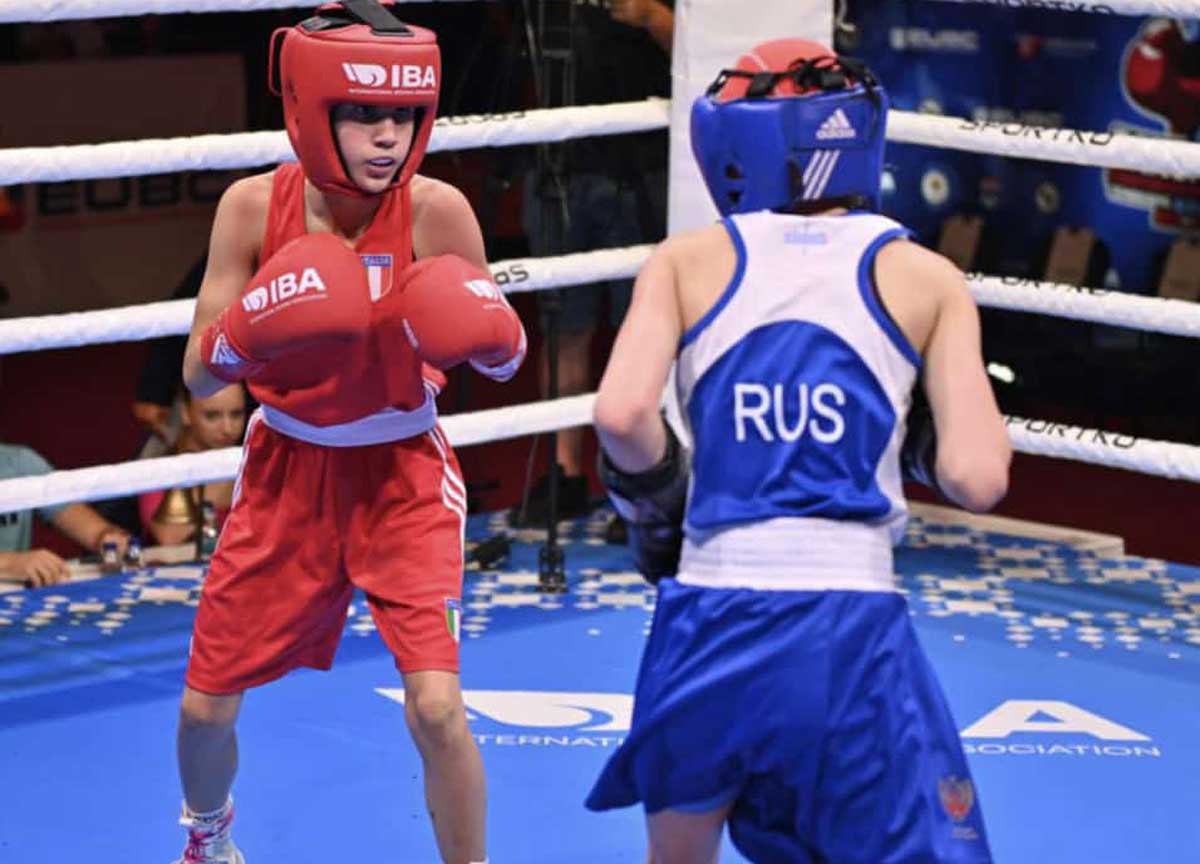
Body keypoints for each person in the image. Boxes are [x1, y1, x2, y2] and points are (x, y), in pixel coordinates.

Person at [585, 40, 1010, 864]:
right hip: (848, 624)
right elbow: (977, 476)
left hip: (710, 606)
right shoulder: (926, 277)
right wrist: (917, 427)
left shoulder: (686, 260)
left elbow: (622, 413)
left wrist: (660, 508)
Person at [173, 3, 525, 863]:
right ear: (309, 108)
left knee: (439, 707)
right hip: (287, 466)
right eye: (363, 112)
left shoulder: (440, 211)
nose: (387, 137)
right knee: (204, 709)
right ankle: (209, 838)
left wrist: (494, 335)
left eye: (403, 114)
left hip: (404, 471)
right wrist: (253, 326)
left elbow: (505, 355)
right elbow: (196, 376)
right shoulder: (252, 208)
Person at [511, 0, 674, 527]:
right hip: (560, 164)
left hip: (644, 162)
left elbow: (709, 60)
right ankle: (564, 473)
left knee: (649, 332)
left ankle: (649, 477)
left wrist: (651, 16)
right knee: (565, 327)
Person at [0, 442, 129, 587]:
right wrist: (8, 563)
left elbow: (95, 531)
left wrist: (108, 539)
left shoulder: (18, 462)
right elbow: (10, 563)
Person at [138, 384, 247, 546]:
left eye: (236, 415)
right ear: (185, 413)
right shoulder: (162, 471)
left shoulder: (255, 468)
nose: (228, 428)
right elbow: (170, 538)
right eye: (212, 416)